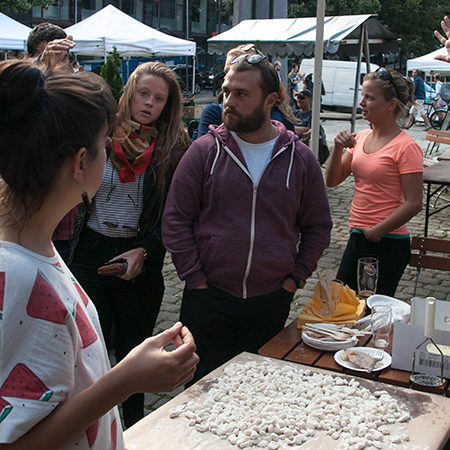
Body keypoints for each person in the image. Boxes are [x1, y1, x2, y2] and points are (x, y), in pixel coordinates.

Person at [0, 59, 198, 449]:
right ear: (80, 163)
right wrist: (126, 380)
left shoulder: (34, 251)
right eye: (103, 144)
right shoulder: (21, 278)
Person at [162, 51, 332, 384]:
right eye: (226, 91)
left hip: (270, 302)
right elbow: (176, 219)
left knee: (259, 394)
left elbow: (318, 226)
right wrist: (195, 278)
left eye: (241, 94)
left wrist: (294, 279)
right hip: (207, 299)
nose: (228, 101)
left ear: (271, 100)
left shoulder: (299, 158)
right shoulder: (205, 151)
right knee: (201, 393)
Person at [69, 62, 191, 427]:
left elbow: (175, 214)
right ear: (129, 92)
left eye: (159, 98)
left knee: (135, 351)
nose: (150, 103)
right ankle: (94, 425)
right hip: (90, 252)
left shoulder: (173, 146)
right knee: (91, 353)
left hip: (140, 258)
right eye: (144, 93)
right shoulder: (99, 136)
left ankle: (133, 427)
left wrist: (147, 250)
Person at [325, 68, 423, 297]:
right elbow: (331, 181)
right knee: (344, 304)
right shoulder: (360, 138)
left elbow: (414, 202)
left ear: (390, 104)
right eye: (362, 95)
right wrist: (338, 148)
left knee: (371, 313)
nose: (362, 102)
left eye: (369, 97)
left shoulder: (406, 147)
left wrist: (377, 231)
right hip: (358, 236)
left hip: (387, 241)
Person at [196, 45, 296, 139]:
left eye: (241, 94)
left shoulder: (282, 118)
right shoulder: (214, 113)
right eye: (227, 71)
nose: (230, 75)